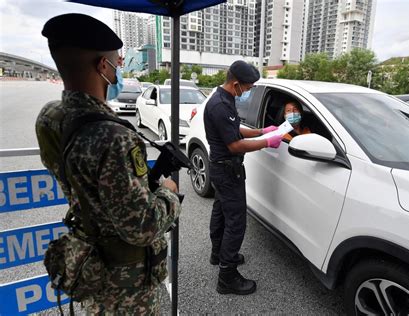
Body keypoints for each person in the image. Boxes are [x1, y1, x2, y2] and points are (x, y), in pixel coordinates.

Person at [36, 14, 181, 314]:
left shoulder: (51, 117)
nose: (120, 69)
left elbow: (89, 185)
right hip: (125, 283)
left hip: (89, 263)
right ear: (103, 66)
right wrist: (167, 192)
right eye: (118, 63)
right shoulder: (115, 137)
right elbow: (142, 227)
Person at [204, 60, 283, 295]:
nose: (248, 92)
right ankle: (227, 277)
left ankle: (218, 254)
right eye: (247, 88)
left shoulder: (224, 99)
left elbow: (236, 128)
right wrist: (267, 142)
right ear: (236, 84)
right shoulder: (220, 105)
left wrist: (261, 131)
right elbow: (235, 144)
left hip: (221, 169)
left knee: (220, 211)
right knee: (236, 222)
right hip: (228, 170)